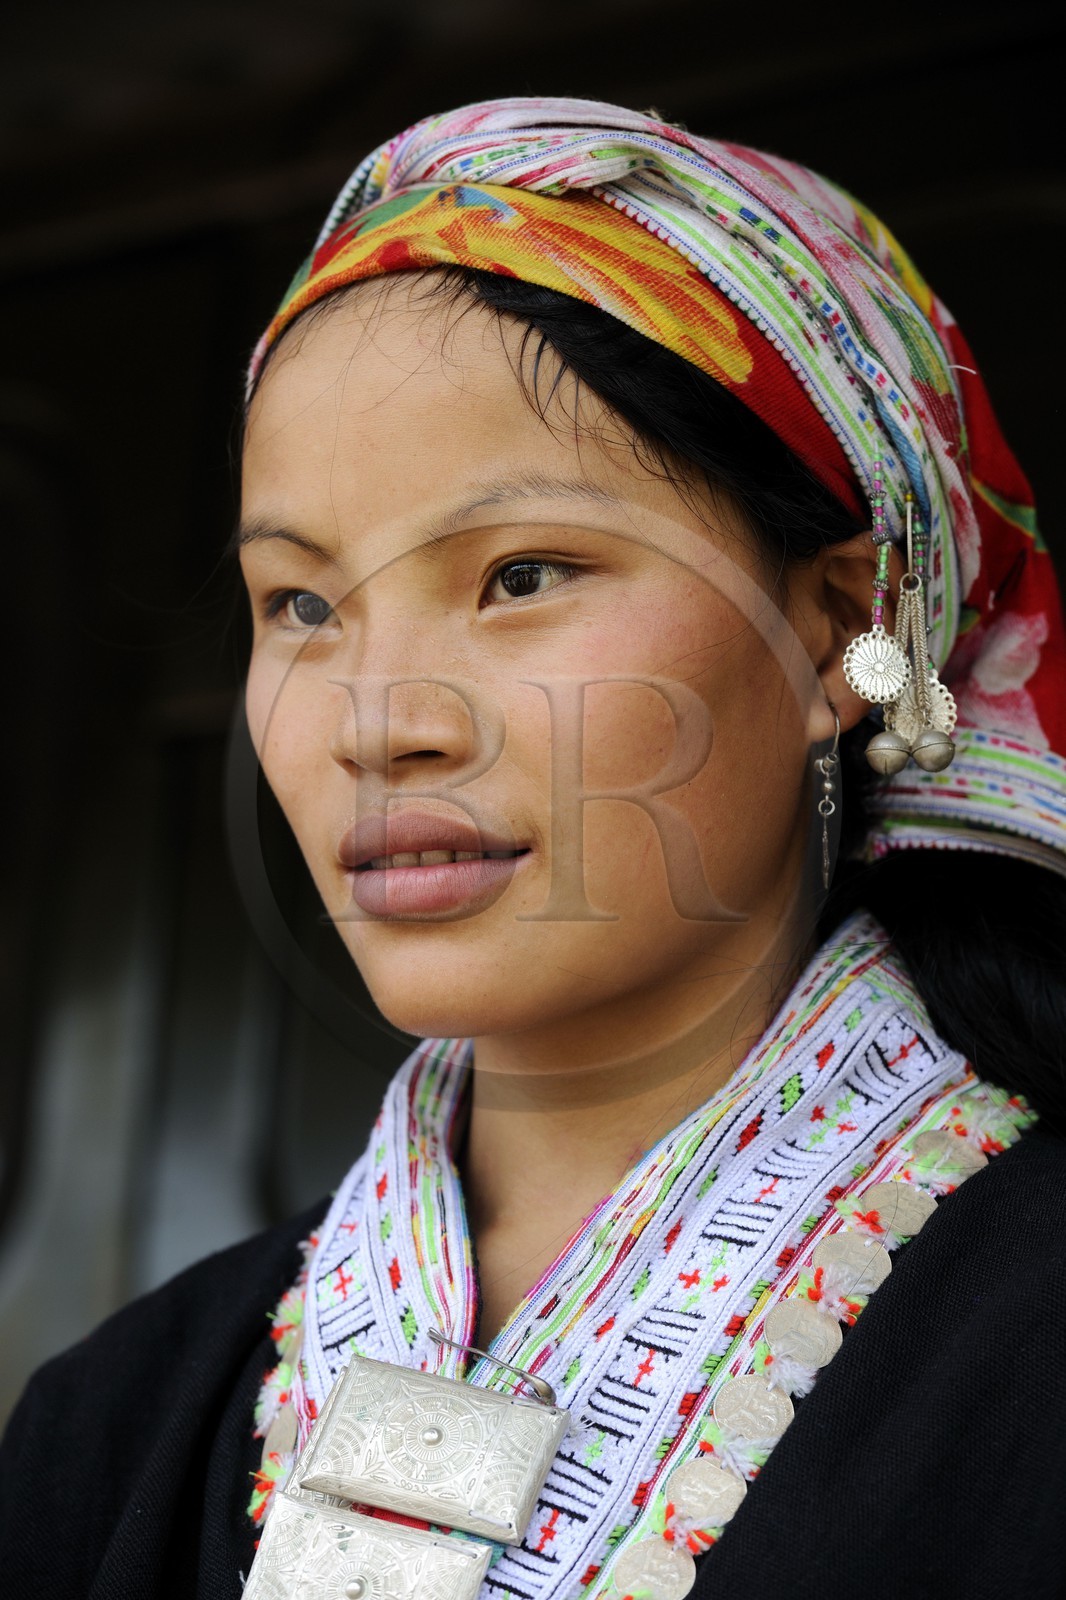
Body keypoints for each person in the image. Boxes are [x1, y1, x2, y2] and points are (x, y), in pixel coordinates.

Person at [2, 95, 1066, 1600]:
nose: (378, 724)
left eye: (521, 575)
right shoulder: (108, 1425)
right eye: (300, 604)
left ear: (839, 627)